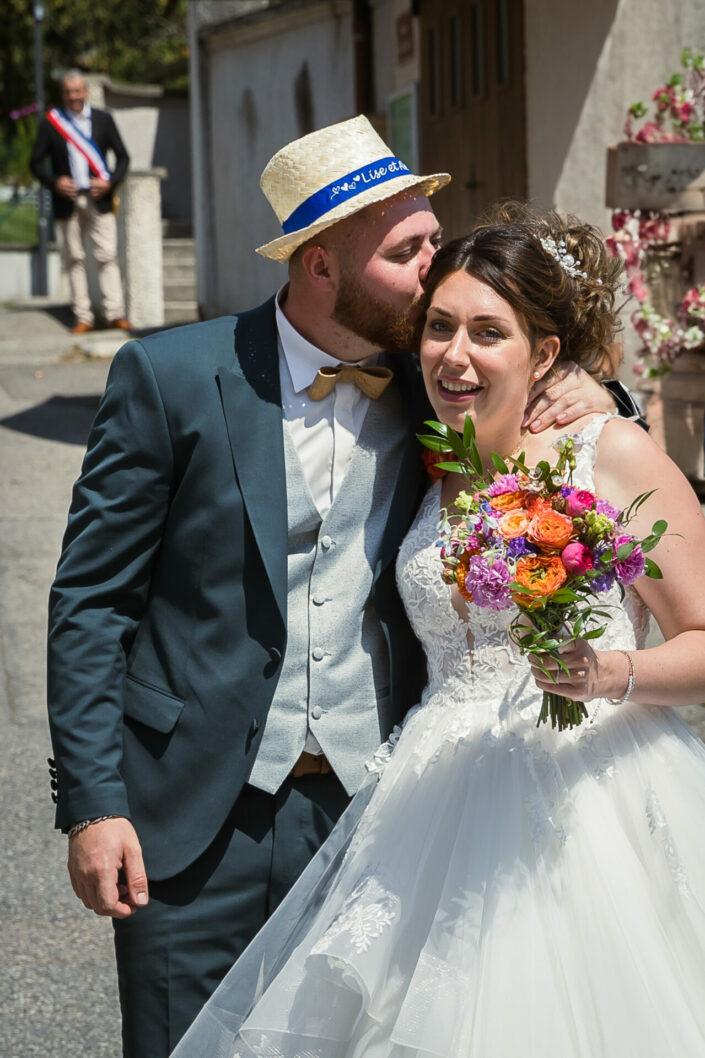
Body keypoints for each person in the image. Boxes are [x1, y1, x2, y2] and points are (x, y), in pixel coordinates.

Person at [46, 119, 627, 1058]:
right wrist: (94, 802)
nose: (435, 270)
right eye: (409, 252)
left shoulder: (428, 374)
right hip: (191, 815)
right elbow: (89, 602)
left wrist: (603, 398)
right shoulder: (170, 377)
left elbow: (544, 406)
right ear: (322, 265)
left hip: (370, 812)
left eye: (432, 240)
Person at [170, 205, 705, 1058]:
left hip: (584, 796)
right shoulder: (434, 456)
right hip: (428, 796)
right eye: (440, 327)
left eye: (488, 332)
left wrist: (606, 671)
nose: (454, 355)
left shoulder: (607, 452)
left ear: (545, 354)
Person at [30, 70, 132, 335]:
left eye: (77, 91)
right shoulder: (51, 123)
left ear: (85, 91)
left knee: (107, 256)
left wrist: (110, 182)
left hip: (99, 199)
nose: (73, 96)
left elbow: (123, 158)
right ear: (63, 94)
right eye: (68, 92)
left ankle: (115, 315)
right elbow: (35, 162)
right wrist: (55, 182)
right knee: (74, 258)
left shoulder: (104, 119)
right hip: (68, 201)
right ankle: (83, 318)